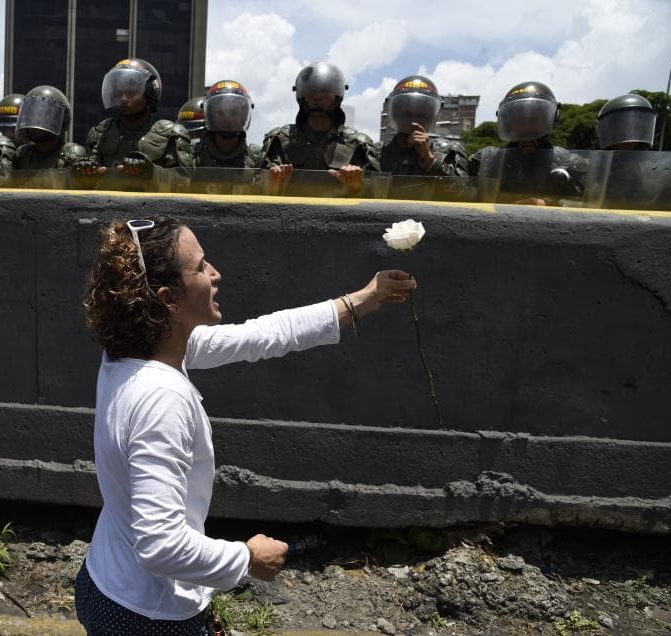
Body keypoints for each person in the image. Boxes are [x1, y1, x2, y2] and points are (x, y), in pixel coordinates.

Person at [76, 216, 416, 633]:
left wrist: (362, 298)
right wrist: (247, 558)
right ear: (167, 298)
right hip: (146, 616)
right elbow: (160, 546)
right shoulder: (160, 399)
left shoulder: (134, 352)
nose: (216, 273)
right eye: (200, 268)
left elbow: (265, 334)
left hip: (105, 582)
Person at [261, 62, 380, 195]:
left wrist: (357, 185)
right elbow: (257, 191)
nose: (317, 98)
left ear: (337, 97)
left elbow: (377, 197)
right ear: (301, 96)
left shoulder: (359, 144)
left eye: (324, 92)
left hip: (340, 215)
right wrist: (274, 184)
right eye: (310, 93)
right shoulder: (280, 139)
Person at [469, 81, 585, 205]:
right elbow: (459, 195)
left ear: (552, 118)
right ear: (508, 122)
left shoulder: (571, 164)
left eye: (533, 119)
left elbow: (592, 204)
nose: (525, 126)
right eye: (519, 119)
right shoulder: (485, 161)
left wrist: (547, 202)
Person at [79, 58, 192, 178]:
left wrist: (151, 173)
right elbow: (91, 177)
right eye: (118, 93)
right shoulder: (102, 132)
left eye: (131, 92)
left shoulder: (169, 134)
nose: (123, 99)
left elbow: (184, 182)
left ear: (150, 92)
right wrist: (84, 170)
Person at [378, 75, 467, 176]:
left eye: (421, 115)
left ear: (430, 118)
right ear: (395, 114)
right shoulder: (376, 154)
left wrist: (430, 160)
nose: (413, 121)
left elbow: (463, 189)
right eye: (407, 114)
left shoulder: (450, 153)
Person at [12, 85, 87, 169]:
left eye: (44, 118)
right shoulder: (22, 155)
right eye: (32, 117)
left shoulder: (72, 153)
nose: (36, 124)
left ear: (62, 121)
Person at [192, 80, 262, 168]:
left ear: (243, 115)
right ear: (211, 115)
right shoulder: (192, 155)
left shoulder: (258, 160)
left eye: (234, 113)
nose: (227, 119)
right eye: (221, 113)